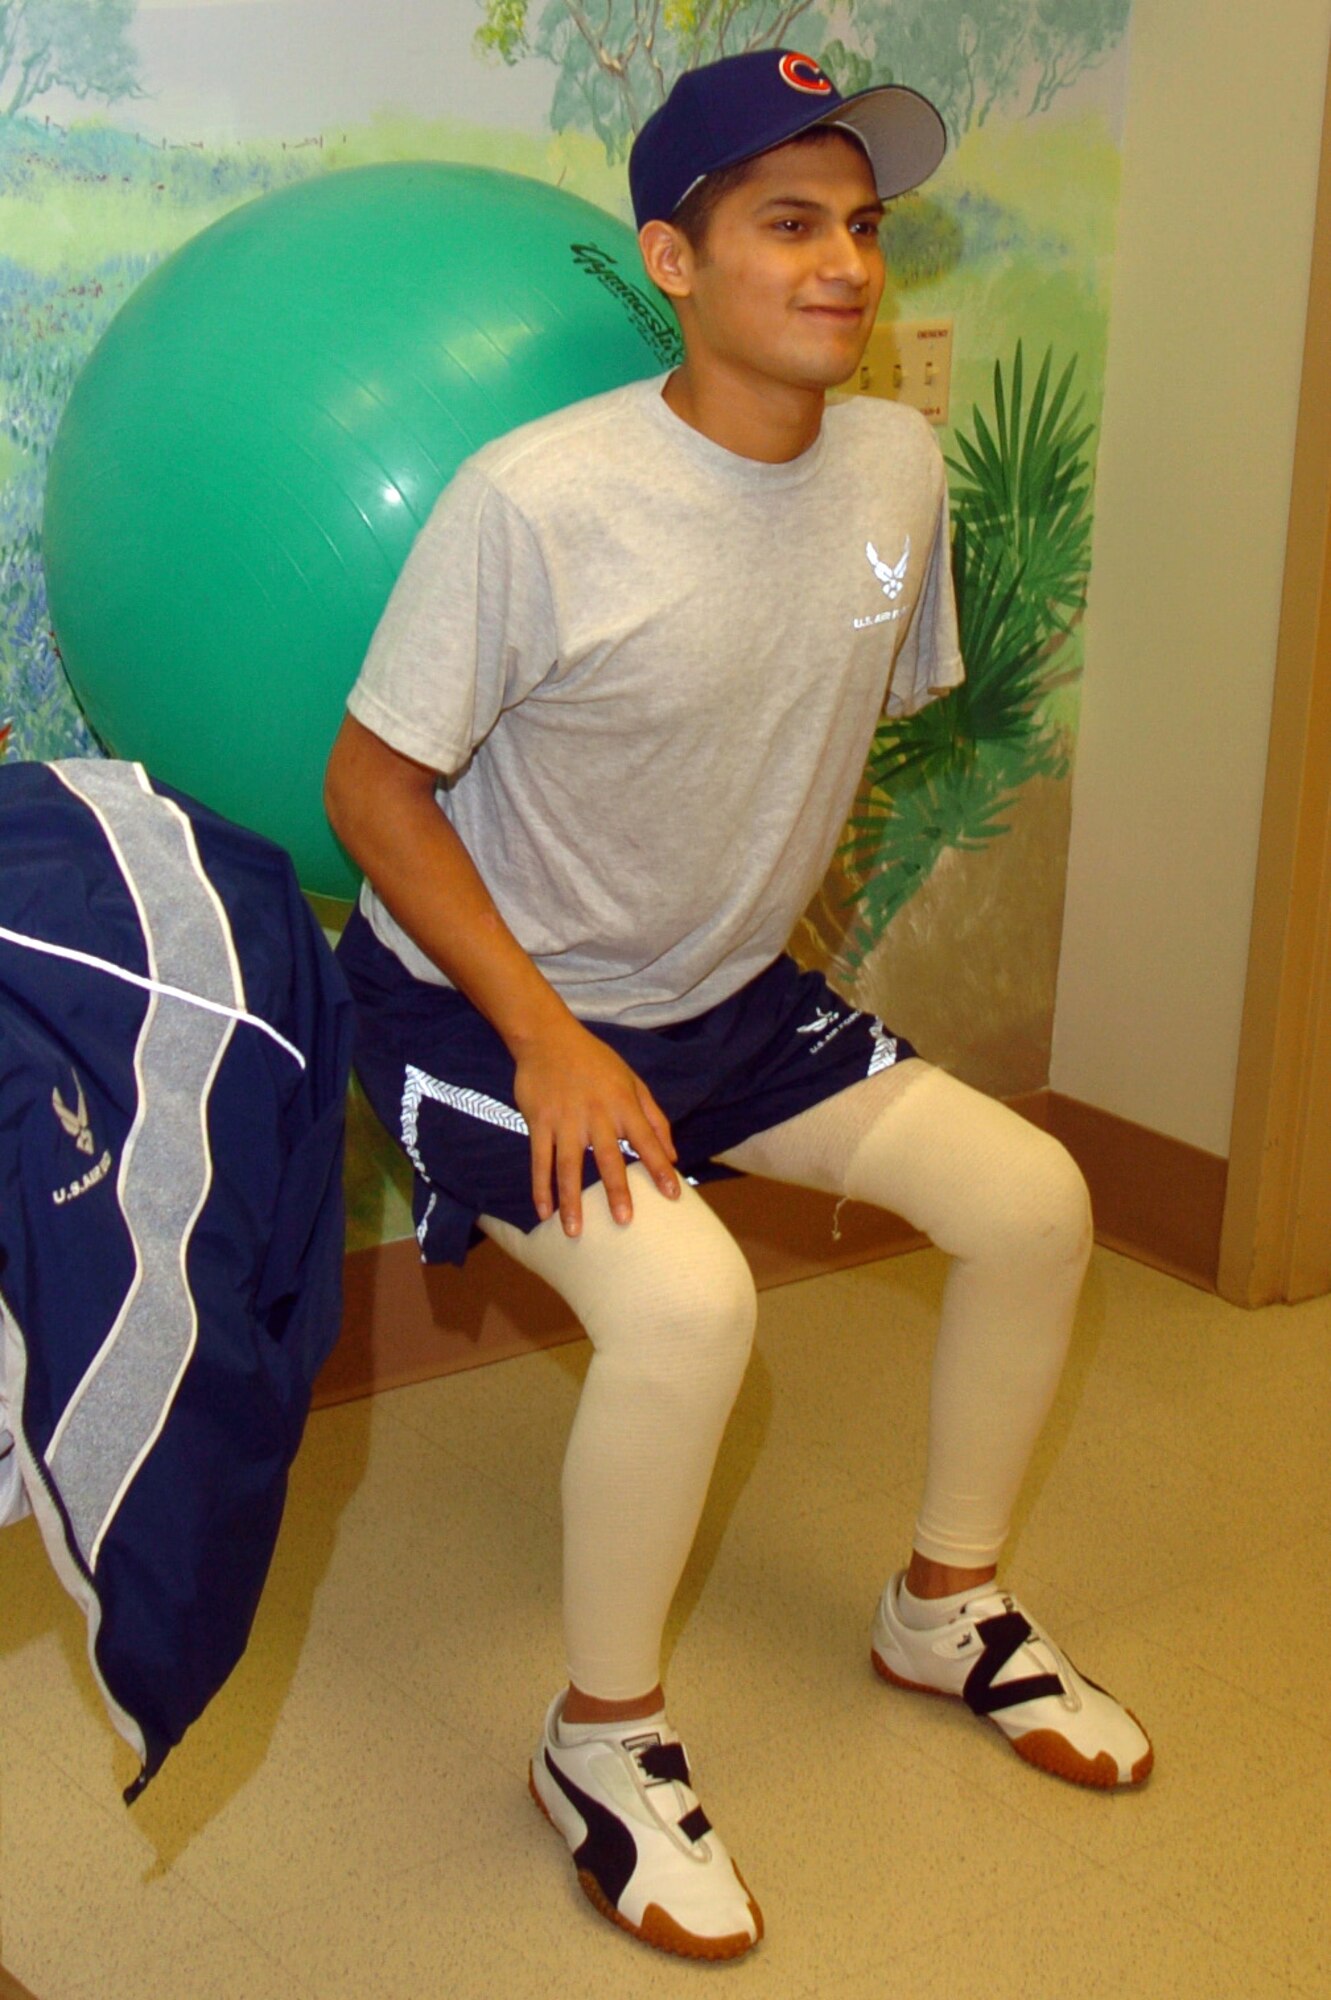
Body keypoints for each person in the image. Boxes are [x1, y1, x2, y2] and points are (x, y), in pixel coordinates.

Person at [323, 48, 1152, 1965]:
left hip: (721, 1003)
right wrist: (545, 1032)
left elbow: (824, 708)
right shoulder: (537, 501)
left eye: (863, 225)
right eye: (791, 223)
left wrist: (745, 923)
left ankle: (944, 1609)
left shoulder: (895, 465)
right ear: (672, 261)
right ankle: (598, 1740)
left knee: (1036, 1202)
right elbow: (372, 788)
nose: (847, 263)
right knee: (689, 1309)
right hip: (481, 1012)